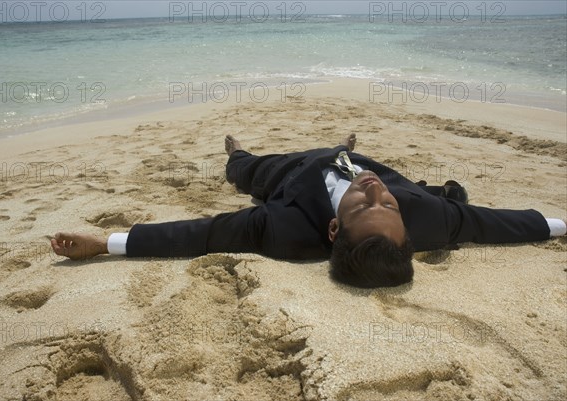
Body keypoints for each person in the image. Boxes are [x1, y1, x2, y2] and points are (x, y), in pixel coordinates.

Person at [51, 135, 566, 288]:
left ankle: (236, 151)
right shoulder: (423, 217)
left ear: (335, 227)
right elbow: (497, 224)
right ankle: (344, 146)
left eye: (370, 202)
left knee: (243, 172)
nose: (375, 191)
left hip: (292, 174)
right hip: (356, 158)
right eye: (388, 202)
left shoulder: (281, 229)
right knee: (432, 196)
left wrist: (108, 243)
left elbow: (203, 234)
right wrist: (560, 224)